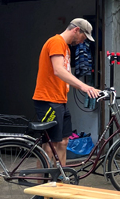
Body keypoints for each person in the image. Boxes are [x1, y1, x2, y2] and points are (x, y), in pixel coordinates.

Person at [33, 18, 100, 169]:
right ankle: (42, 182)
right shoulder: (56, 42)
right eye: (83, 37)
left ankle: (61, 179)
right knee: (50, 145)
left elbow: (65, 75)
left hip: (60, 100)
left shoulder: (66, 48)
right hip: (48, 100)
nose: (83, 41)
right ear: (76, 30)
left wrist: (90, 89)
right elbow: (58, 70)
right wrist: (83, 86)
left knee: (64, 142)